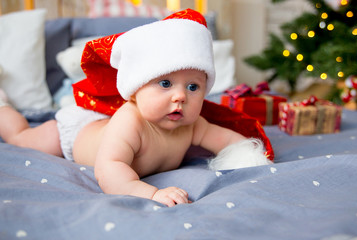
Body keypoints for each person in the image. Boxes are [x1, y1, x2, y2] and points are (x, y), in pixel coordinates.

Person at [0, 9, 271, 207]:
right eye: (165, 83)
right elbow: (109, 168)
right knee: (24, 138)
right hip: (76, 135)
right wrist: (150, 194)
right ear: (135, 90)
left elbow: (228, 140)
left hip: (98, 126)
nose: (180, 97)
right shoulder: (130, 121)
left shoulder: (193, 124)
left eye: (193, 87)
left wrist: (250, 160)